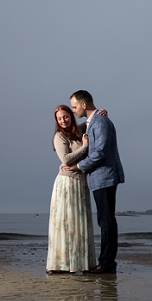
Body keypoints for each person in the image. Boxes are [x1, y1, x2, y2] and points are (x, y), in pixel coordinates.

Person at [64, 90, 124, 274]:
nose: (73, 111)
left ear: (83, 104)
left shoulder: (101, 121)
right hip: (99, 177)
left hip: (105, 176)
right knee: (104, 220)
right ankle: (106, 262)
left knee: (106, 221)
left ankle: (106, 264)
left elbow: (100, 152)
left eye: (74, 107)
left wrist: (79, 166)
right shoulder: (94, 121)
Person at [46, 104, 96, 274]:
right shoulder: (59, 136)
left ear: (70, 116)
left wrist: (100, 112)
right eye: (59, 118)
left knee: (79, 224)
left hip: (80, 182)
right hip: (66, 183)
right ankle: (61, 264)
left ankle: (81, 263)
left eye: (65, 116)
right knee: (65, 223)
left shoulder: (77, 131)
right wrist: (84, 147)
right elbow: (66, 159)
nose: (63, 120)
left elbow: (90, 121)